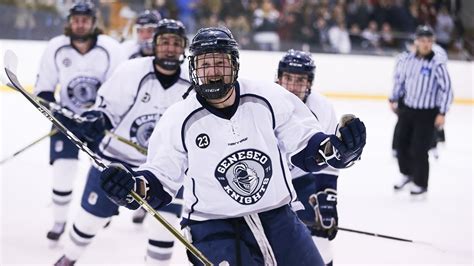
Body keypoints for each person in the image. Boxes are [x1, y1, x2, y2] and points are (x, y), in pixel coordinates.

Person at [99, 26, 366, 265]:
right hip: (213, 226)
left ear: (234, 65)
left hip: (278, 217)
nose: (213, 72)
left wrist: (342, 149)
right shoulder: (178, 118)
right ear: (194, 68)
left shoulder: (269, 97)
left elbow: (309, 148)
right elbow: (160, 179)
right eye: (205, 65)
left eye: (220, 63)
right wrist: (133, 187)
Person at [53, 19, 190, 266]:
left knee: (164, 229)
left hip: (165, 170)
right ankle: (69, 257)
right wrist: (96, 121)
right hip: (116, 162)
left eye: (176, 43)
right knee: (88, 221)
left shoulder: (192, 82)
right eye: (164, 42)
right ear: (155, 44)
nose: (170, 48)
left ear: (184, 48)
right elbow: (107, 109)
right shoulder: (133, 70)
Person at [34, 1, 123, 242]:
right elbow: (43, 90)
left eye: (85, 19)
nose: (80, 24)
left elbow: (118, 89)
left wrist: (102, 116)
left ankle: (101, 213)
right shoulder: (56, 47)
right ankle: (59, 221)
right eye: (76, 19)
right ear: (69, 22)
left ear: (94, 22)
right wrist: (56, 113)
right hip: (66, 122)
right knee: (63, 170)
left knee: (105, 172)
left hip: (100, 123)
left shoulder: (110, 48)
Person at [276, 49, 339, 266]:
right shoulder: (261, 103)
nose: (293, 87)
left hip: (304, 180)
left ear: (310, 83)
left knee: (319, 242)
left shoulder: (322, 108)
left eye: (300, 80)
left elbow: (332, 159)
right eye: (288, 79)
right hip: (270, 185)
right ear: (279, 78)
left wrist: (327, 195)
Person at [390, 25, 453, 196]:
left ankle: (421, 183)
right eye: (423, 40)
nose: (426, 44)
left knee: (419, 149)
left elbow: (446, 89)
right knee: (400, 145)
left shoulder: (437, 63)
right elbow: (400, 81)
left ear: (433, 42)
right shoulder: (407, 61)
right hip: (408, 109)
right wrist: (393, 98)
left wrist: (442, 112)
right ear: (416, 41)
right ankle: (407, 174)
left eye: (429, 41)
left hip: (427, 113)